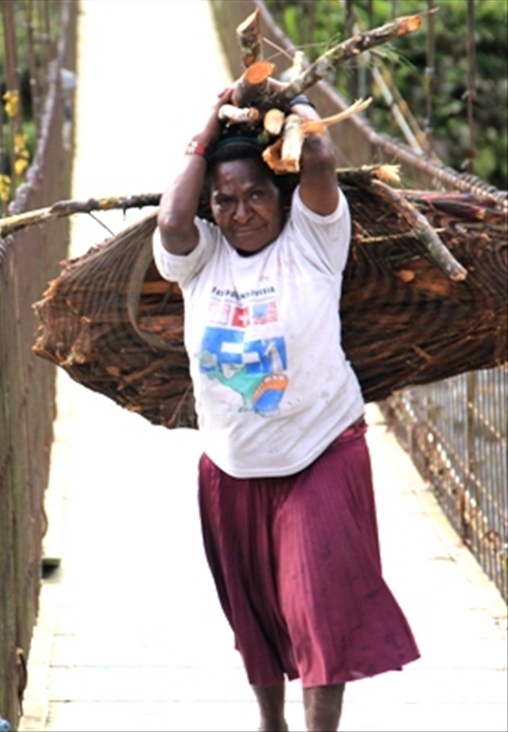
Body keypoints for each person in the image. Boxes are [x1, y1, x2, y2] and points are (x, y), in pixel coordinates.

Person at [153, 84, 421, 732]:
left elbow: (322, 162)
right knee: (258, 617)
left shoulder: (312, 241)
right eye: (227, 200)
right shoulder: (200, 261)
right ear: (213, 209)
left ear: (281, 196)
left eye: (255, 195)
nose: (242, 211)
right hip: (232, 464)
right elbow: (169, 223)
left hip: (321, 449)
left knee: (316, 607)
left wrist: (292, 100)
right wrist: (206, 132)